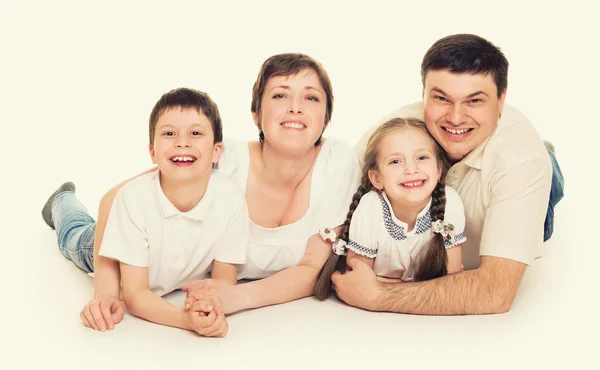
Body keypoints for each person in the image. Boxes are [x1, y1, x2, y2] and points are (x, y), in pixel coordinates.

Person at [50, 53, 360, 320]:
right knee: (78, 238)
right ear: (256, 113)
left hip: (180, 273)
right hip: (136, 252)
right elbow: (115, 200)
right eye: (280, 95)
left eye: (311, 97)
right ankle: (62, 202)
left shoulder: (337, 162)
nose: (296, 107)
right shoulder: (226, 161)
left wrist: (233, 298)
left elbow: (310, 269)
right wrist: (105, 292)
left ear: (326, 118)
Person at [333, 33, 564, 315]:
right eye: (442, 98)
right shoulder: (394, 133)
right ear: (424, 95)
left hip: (527, 177)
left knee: (544, 197)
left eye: (474, 101)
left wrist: (377, 294)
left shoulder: (521, 162)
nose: (455, 117)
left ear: (501, 99)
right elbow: (335, 196)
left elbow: (495, 293)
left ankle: (550, 159)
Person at [42, 88, 248, 336]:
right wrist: (185, 320)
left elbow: (223, 283)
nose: (182, 142)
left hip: (142, 244)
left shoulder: (231, 199)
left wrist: (208, 306)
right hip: (109, 251)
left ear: (217, 151)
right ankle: (62, 199)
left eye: (195, 133)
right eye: (169, 133)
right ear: (153, 153)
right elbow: (136, 294)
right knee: (74, 234)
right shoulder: (133, 199)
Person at [312, 117, 466, 300]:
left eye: (422, 157)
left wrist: (388, 284)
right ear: (377, 178)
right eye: (395, 161)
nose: (411, 169)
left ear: (439, 169)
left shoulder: (450, 202)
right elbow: (358, 284)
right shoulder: (371, 208)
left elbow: (453, 280)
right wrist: (422, 287)